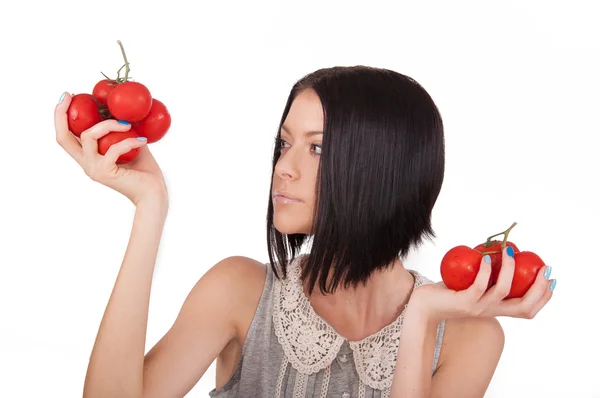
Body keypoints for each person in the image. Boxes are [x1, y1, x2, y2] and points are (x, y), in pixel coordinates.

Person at [54, 66, 555, 398]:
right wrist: (150, 208)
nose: (282, 169)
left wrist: (421, 317)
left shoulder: (470, 337)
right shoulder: (238, 291)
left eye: (316, 148)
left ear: (381, 170)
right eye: (284, 143)